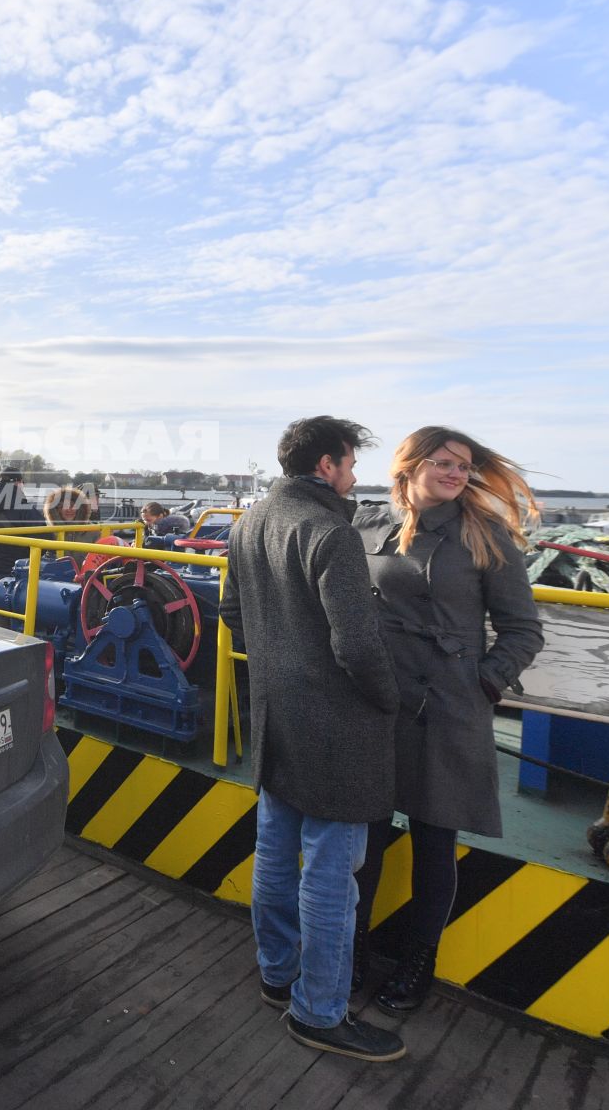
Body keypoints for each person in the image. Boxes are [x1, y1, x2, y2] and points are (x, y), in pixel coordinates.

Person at [222, 415, 403, 1062]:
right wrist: (390, 701)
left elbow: (231, 613)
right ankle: (318, 1012)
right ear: (326, 464)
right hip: (336, 731)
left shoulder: (248, 523)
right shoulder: (332, 532)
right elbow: (356, 645)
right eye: (351, 465)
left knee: (275, 851)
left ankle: (278, 975)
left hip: (278, 718)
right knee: (332, 875)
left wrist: (274, 667)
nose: (355, 478)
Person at [351, 428, 544, 1013]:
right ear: (408, 466)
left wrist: (482, 682)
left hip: (449, 706)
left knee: (436, 839)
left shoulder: (486, 536)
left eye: (464, 466)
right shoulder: (366, 525)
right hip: (379, 699)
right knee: (365, 835)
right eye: (444, 463)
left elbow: (523, 631)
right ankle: (353, 949)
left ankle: (418, 961)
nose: (458, 474)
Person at [0, 469, 38, 582]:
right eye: (23, 482)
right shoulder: (27, 510)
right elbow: (45, 540)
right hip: (21, 579)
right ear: (17, 483)